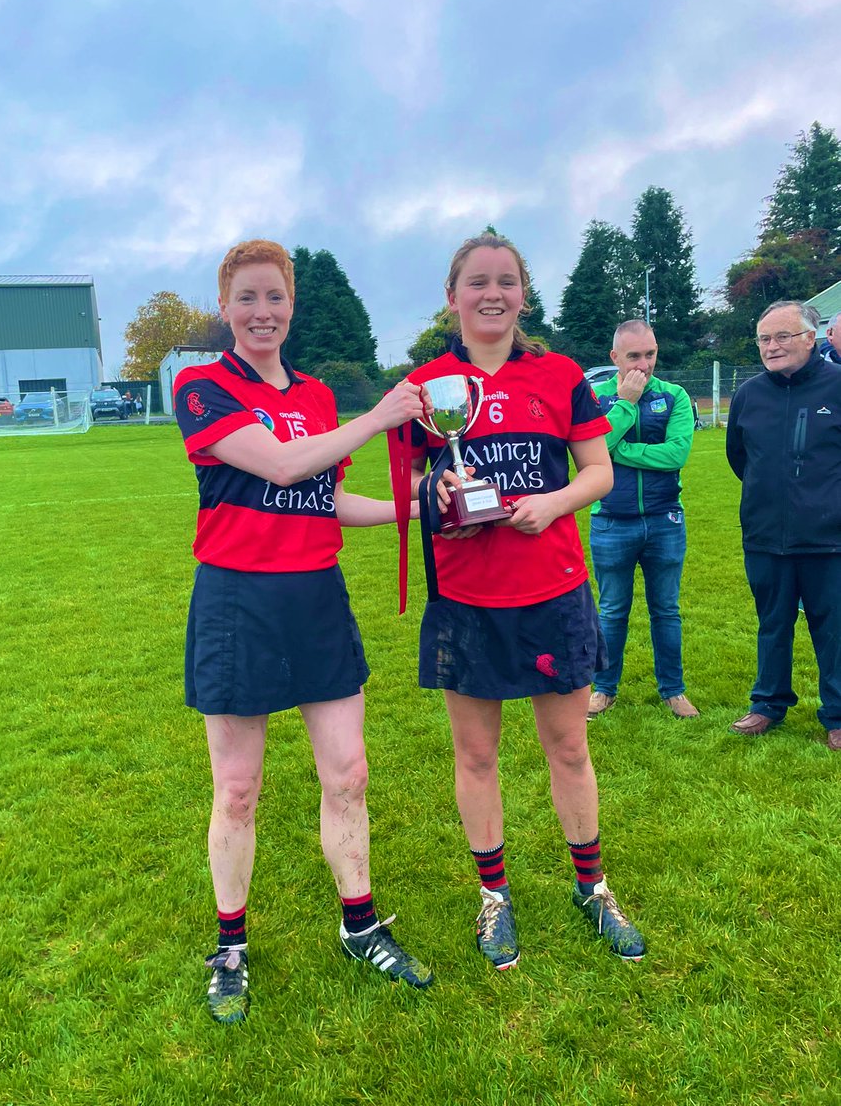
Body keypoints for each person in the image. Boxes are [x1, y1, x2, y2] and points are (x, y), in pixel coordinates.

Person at [173, 239, 433, 1025]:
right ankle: (230, 948)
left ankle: (360, 925)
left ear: (292, 307)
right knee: (240, 788)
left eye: (275, 298)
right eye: (247, 298)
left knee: (348, 773)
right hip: (236, 603)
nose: (262, 313)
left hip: (316, 598)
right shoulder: (200, 386)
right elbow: (282, 468)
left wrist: (419, 507)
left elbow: (322, 498)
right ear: (226, 308)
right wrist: (381, 416)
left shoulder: (317, 396)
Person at [406, 232, 645, 970]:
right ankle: (494, 898)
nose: (492, 294)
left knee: (569, 748)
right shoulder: (424, 387)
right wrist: (434, 490)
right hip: (467, 597)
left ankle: (593, 887)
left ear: (523, 294)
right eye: (477, 282)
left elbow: (599, 471)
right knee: (476, 756)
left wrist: (554, 501)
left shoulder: (561, 374)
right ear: (453, 297)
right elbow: (413, 488)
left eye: (506, 281)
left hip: (552, 589)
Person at [726, 300, 841, 750]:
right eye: (764, 339)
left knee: (831, 627)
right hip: (764, 536)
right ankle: (768, 704)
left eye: (782, 337)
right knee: (772, 623)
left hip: (829, 538)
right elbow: (741, 459)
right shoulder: (749, 395)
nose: (771, 347)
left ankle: (836, 715)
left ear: (811, 339)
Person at [586, 320, 697, 720]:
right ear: (614, 357)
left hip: (665, 519)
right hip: (612, 521)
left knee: (666, 609)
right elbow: (590, 450)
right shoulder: (595, 398)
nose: (644, 364)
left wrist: (618, 451)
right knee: (612, 610)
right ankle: (604, 689)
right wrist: (626, 403)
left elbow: (675, 456)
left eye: (650, 354)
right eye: (634, 356)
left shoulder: (675, 396)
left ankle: (673, 690)